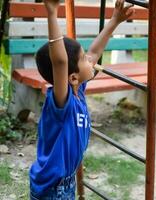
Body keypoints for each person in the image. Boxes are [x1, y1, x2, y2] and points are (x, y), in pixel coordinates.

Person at [29, 0, 133, 199]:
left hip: (66, 182)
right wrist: (52, 12)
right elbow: (60, 63)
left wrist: (114, 21)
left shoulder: (79, 88)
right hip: (52, 188)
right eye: (84, 59)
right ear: (72, 77)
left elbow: (94, 52)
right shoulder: (62, 101)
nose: (90, 60)